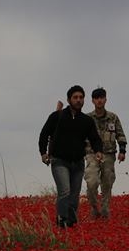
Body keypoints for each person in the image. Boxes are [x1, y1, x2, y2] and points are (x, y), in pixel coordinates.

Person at [39, 85, 103, 228]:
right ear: (69, 99)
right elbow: (44, 134)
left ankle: (71, 221)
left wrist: (98, 150)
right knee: (65, 191)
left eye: (81, 98)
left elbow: (95, 139)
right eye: (75, 97)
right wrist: (43, 153)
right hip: (59, 161)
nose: (78, 100)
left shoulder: (87, 121)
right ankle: (61, 221)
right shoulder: (57, 116)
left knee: (74, 196)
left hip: (78, 162)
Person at [84, 87, 127, 218]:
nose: (99, 101)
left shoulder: (113, 118)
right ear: (92, 100)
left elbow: (120, 135)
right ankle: (94, 207)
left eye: (102, 98)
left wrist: (122, 150)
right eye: (96, 98)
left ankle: (105, 208)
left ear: (105, 99)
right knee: (91, 182)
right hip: (91, 154)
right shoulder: (87, 118)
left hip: (108, 154)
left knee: (107, 182)